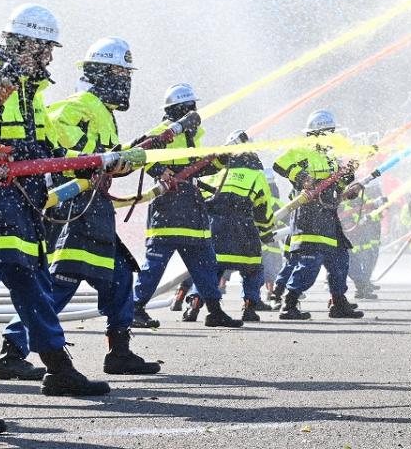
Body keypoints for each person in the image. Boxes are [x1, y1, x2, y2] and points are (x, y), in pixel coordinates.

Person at [0, 5, 113, 433]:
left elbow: (47, 152)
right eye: (43, 50)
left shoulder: (32, 95)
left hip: (20, 209)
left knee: (34, 287)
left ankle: (58, 369)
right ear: (25, 45)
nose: (48, 59)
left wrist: (93, 166)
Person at [0, 37, 161, 382]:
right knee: (60, 282)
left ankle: (119, 351)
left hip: (94, 207)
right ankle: (12, 350)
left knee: (119, 277)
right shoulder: (79, 103)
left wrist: (131, 154)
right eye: (118, 71)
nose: (124, 78)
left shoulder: (103, 111)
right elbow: (59, 141)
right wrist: (99, 156)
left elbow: (105, 162)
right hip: (76, 207)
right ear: (100, 72)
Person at [131, 83, 243, 329]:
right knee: (155, 265)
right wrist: (161, 171)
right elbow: (139, 154)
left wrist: (223, 157)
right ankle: (135, 309)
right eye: (190, 107)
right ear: (179, 109)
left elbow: (200, 168)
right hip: (168, 207)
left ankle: (214, 311)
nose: (195, 112)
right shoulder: (163, 132)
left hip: (191, 208)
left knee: (205, 264)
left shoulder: (193, 138)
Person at [272, 109, 364, 320]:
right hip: (309, 214)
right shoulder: (302, 150)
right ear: (317, 133)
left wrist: (348, 181)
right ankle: (289, 303)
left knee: (340, 258)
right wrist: (302, 177)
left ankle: (338, 302)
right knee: (311, 261)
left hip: (328, 214)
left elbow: (335, 187)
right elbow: (279, 165)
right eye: (328, 132)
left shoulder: (330, 156)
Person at [190, 130, 273, 322]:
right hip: (243, 230)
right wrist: (266, 232)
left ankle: (193, 306)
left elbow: (200, 200)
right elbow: (263, 208)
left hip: (215, 230)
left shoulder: (215, 172)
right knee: (253, 269)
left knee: (208, 271)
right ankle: (249, 308)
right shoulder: (255, 175)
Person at [342, 178, 387, 300]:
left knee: (365, 262)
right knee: (352, 266)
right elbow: (343, 217)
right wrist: (357, 222)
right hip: (349, 240)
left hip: (362, 238)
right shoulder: (342, 202)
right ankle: (360, 288)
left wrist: (376, 206)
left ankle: (363, 287)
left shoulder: (360, 200)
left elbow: (368, 208)